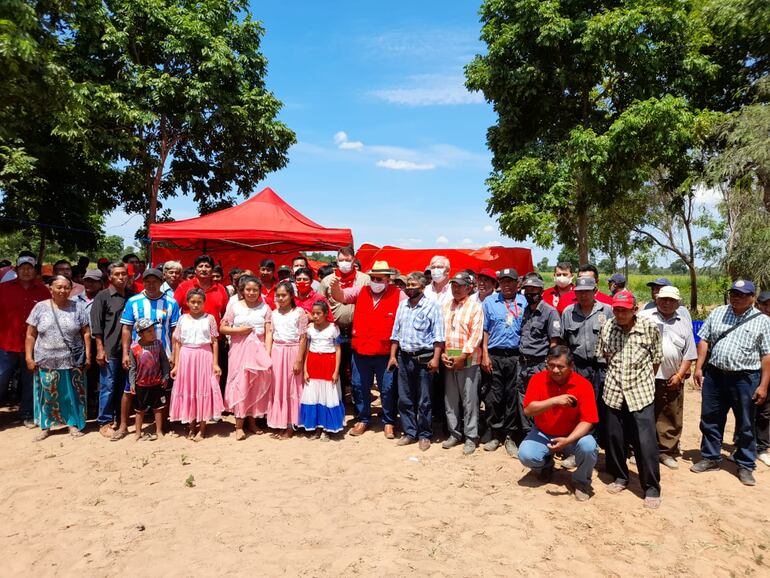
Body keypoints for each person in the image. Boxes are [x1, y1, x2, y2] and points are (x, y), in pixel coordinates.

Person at [691, 280, 770, 486]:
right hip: (715, 376)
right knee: (710, 418)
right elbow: (704, 340)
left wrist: (763, 385)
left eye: (742, 294)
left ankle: (745, 464)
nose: (736, 297)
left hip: (745, 379)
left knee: (745, 423)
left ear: (752, 298)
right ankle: (710, 457)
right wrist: (699, 367)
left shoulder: (762, 320)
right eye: (734, 293)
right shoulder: (718, 312)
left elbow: (766, 355)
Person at [596, 290, 663, 509]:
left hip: (640, 392)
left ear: (635, 309)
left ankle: (651, 487)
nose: (620, 314)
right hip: (614, 391)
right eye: (616, 310)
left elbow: (656, 359)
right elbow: (604, 355)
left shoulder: (649, 327)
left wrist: (642, 380)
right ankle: (620, 476)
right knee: (615, 438)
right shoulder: (607, 327)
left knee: (645, 442)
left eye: (624, 310)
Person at [329, 260, 403, 437]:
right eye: (373, 278)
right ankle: (363, 419)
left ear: (387, 279)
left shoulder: (399, 295)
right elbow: (341, 296)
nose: (375, 282)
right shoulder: (360, 291)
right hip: (361, 350)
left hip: (385, 352)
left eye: (379, 279)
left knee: (387, 388)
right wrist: (335, 287)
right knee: (358, 386)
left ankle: (389, 421)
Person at [520, 346, 599, 501]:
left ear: (571, 366)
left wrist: (568, 440)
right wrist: (554, 401)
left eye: (560, 366)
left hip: (572, 436)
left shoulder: (583, 385)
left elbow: (588, 420)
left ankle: (581, 481)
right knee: (526, 455)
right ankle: (546, 465)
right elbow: (528, 410)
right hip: (543, 433)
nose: (555, 370)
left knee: (589, 446)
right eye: (551, 365)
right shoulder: (537, 379)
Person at [25, 275, 91, 441]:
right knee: (47, 393)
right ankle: (45, 426)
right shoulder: (40, 307)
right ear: (51, 289)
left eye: (66, 287)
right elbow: (30, 335)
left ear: (71, 289)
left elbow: (86, 333)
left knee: (71, 394)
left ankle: (72, 424)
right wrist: (28, 357)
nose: (63, 290)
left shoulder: (78, 307)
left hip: (72, 360)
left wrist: (88, 355)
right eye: (59, 287)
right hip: (45, 360)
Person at [116, 268, 179, 440]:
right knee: (129, 389)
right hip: (138, 356)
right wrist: (125, 354)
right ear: (143, 282)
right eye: (148, 282)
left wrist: (174, 354)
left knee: (163, 390)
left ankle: (163, 424)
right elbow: (127, 328)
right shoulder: (133, 301)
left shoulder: (171, 302)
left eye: (155, 282)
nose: (151, 285)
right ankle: (123, 425)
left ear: (161, 282)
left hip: (162, 355)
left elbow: (174, 331)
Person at [639, 285, 697, 470]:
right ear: (657, 300)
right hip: (643, 377)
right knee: (643, 415)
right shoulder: (643, 317)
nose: (666, 303)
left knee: (671, 415)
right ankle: (641, 450)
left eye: (671, 300)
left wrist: (679, 375)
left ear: (677, 303)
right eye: (663, 299)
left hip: (671, 377)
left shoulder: (684, 323)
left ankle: (666, 452)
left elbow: (689, 354)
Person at [389, 271, 445, 451]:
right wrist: (392, 356)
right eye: (408, 285)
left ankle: (424, 434)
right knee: (405, 398)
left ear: (422, 287)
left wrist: (436, 359)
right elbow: (395, 334)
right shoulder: (402, 306)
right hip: (404, 357)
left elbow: (439, 336)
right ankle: (409, 432)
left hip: (424, 358)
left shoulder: (432, 306)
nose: (410, 288)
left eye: (413, 285)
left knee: (424, 400)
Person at [560, 276, 613, 458]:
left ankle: (599, 443)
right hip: (579, 366)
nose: (583, 295)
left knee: (602, 405)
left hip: (602, 367)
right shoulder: (568, 312)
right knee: (578, 405)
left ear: (595, 291)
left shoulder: (607, 311)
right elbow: (564, 342)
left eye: (587, 292)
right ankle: (577, 446)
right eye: (579, 292)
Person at [481, 268, 528, 455]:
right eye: (503, 281)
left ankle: (510, 435)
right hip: (495, 355)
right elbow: (485, 329)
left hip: (516, 356)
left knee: (512, 397)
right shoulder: (489, 302)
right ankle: (495, 434)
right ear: (499, 283)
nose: (506, 285)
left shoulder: (524, 301)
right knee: (494, 397)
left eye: (510, 281)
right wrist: (485, 354)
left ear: (518, 284)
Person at [220, 275, 273, 440]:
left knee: (254, 385)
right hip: (238, 350)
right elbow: (223, 328)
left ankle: (252, 422)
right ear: (242, 290)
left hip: (258, 351)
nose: (251, 293)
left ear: (259, 291)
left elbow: (269, 332)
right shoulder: (234, 306)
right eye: (248, 289)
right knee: (240, 384)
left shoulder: (265, 308)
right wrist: (239, 331)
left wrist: (268, 353)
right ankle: (238, 426)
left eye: (255, 290)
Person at [0, 255, 51, 427]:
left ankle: (27, 413)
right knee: (1, 379)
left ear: (35, 270)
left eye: (30, 268)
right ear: (16, 269)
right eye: (23, 268)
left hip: (34, 346)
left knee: (30, 382)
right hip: (5, 344)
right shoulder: (3, 288)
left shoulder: (43, 291)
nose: (26, 271)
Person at [169, 288, 225, 441]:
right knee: (189, 389)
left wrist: (215, 364)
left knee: (202, 389)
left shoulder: (209, 319)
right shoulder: (182, 319)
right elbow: (178, 343)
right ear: (187, 303)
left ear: (204, 303)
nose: (195, 305)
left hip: (204, 356)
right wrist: (176, 365)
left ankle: (202, 427)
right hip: (186, 357)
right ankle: (191, 425)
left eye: (199, 302)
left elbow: (214, 342)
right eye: (192, 302)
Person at [319, 246, 371, 405]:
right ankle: (337, 403)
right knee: (337, 369)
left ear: (354, 260)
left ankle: (359, 406)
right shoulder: (327, 281)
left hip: (358, 332)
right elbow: (320, 305)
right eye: (341, 260)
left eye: (347, 260)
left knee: (358, 372)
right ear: (336, 261)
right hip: (336, 332)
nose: (344, 263)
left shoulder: (365, 280)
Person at [440, 272, 484, 455]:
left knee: (469, 400)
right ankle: (454, 433)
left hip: (469, 361)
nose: (456, 289)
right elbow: (440, 331)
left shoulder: (475, 307)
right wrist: (442, 354)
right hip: (449, 359)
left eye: (460, 286)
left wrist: (463, 356)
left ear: (469, 287)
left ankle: (471, 437)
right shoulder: (446, 306)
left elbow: (476, 335)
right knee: (450, 399)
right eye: (453, 286)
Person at [518, 275, 563, 447]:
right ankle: (528, 436)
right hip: (523, 364)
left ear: (541, 292)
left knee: (542, 402)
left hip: (540, 364)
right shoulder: (526, 311)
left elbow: (554, 342)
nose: (530, 293)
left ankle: (547, 440)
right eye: (527, 290)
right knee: (524, 401)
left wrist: (548, 366)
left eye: (533, 290)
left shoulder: (550, 312)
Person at [90, 262, 134, 437]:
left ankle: (120, 419)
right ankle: (104, 421)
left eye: (123, 274)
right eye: (117, 274)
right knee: (107, 386)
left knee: (124, 387)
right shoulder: (102, 297)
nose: (121, 277)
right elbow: (96, 326)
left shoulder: (132, 296)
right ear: (109, 277)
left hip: (129, 351)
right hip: (110, 349)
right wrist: (100, 349)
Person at [267, 281, 308, 439]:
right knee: (278, 386)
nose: (280, 298)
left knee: (292, 387)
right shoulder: (273, 313)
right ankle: (281, 423)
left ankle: (291, 424)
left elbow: (303, 338)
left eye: (284, 295)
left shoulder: (299, 312)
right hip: (277, 352)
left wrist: (299, 359)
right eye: (278, 295)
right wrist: (268, 356)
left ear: (291, 295)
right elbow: (270, 335)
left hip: (293, 351)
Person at [299, 301, 344, 440]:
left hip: (328, 364)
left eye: (318, 313)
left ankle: (327, 428)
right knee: (314, 396)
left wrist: (336, 371)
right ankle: (316, 427)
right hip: (313, 364)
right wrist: (305, 370)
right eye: (313, 313)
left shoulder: (333, 328)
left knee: (327, 396)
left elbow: (338, 350)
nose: (315, 316)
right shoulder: (310, 329)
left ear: (325, 314)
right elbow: (307, 350)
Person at [128, 318, 170, 441]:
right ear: (140, 334)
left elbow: (164, 361)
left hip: (156, 382)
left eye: (153, 330)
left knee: (158, 408)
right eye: (149, 331)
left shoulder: (158, 344)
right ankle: (138, 432)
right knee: (139, 410)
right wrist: (132, 383)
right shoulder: (134, 348)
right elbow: (132, 368)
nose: (153, 333)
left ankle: (159, 431)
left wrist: (165, 376)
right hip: (141, 384)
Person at [174, 255, 230, 326]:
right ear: (195, 270)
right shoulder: (184, 286)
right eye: (200, 266)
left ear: (212, 270)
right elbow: (174, 310)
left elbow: (225, 313)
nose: (204, 269)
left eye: (207, 266)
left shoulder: (220, 288)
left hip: (213, 332)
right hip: (189, 331)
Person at [755, 291, 770, 466]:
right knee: (746, 411)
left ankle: (762, 447)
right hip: (752, 372)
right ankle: (742, 444)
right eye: (764, 304)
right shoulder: (752, 322)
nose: (767, 308)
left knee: (765, 412)